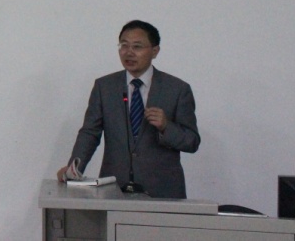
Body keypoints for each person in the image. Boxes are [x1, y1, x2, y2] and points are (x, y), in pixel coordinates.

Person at [56, 20, 200, 198]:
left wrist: (166, 126)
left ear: (155, 51)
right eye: (124, 45)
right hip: (114, 188)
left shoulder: (177, 89)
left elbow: (192, 141)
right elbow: (90, 133)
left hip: (162, 190)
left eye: (137, 46)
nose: (129, 52)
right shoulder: (104, 87)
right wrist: (74, 169)